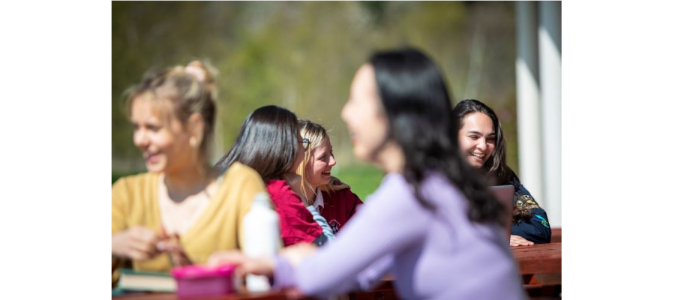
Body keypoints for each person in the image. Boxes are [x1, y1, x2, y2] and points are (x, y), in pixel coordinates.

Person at [207, 48, 525, 300]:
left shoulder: (413, 191)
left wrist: (259, 262)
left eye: (356, 101)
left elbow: (322, 277)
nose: (346, 112)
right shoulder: (440, 181)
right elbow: (363, 269)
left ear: (392, 115)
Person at [111, 60, 268, 285]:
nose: (139, 140)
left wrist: (197, 274)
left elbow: (265, 281)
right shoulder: (126, 193)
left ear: (194, 128)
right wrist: (113, 246)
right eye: (137, 127)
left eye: (153, 128)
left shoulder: (240, 185)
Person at [215, 105, 328, 247]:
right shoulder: (279, 192)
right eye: (302, 143)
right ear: (287, 148)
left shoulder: (219, 180)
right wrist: (301, 198)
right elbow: (324, 249)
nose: (304, 151)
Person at [453, 99, 551, 246]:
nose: (483, 146)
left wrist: (500, 233)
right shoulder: (432, 177)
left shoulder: (503, 176)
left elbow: (540, 227)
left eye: (490, 139)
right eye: (474, 137)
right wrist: (495, 234)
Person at [295, 119, 362, 236]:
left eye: (331, 152)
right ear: (301, 161)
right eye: (323, 157)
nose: (333, 161)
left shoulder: (341, 196)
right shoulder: (281, 202)